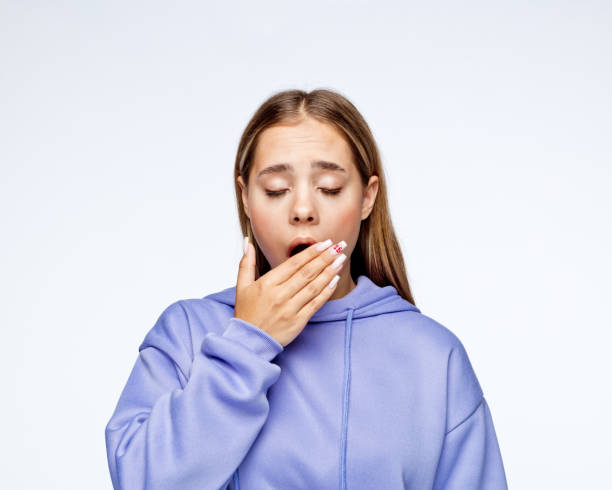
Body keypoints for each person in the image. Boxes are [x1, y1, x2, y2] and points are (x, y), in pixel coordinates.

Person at [104, 88, 508, 489]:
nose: (302, 210)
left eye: (329, 187)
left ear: (367, 198)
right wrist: (248, 343)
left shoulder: (433, 355)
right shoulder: (188, 333)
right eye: (276, 189)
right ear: (245, 198)